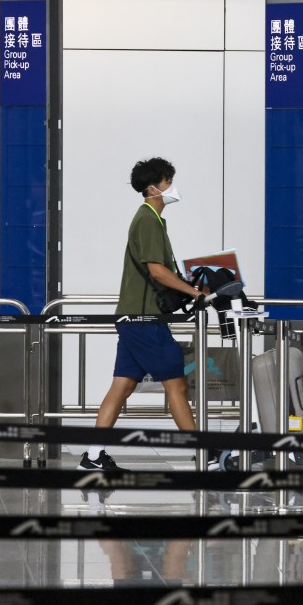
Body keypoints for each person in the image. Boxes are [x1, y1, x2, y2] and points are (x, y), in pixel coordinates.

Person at [78, 157, 205, 471]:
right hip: (145, 319)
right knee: (175, 385)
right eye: (168, 181)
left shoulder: (152, 219)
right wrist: (194, 293)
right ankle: (204, 454)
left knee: (122, 385)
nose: (172, 187)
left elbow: (161, 271)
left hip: (132, 317)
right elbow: (157, 271)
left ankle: (93, 456)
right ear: (154, 187)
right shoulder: (148, 219)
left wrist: (186, 282)